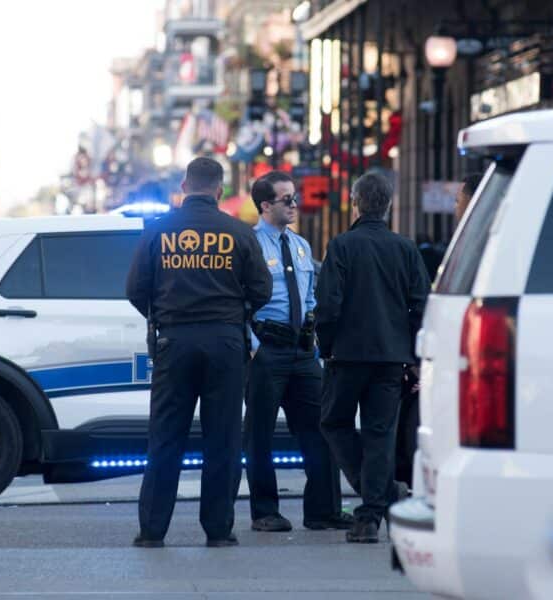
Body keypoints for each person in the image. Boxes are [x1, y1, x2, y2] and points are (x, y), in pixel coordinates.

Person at [125, 157, 272, 548]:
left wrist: (163, 314)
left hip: (174, 342)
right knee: (223, 438)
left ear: (185, 186)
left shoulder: (158, 231)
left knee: (166, 437)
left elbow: (135, 289)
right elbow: (262, 290)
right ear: (219, 189)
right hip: (225, 343)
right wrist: (234, 312)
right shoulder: (238, 232)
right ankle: (219, 531)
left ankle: (152, 531)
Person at [316, 172, 431, 543]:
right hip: (391, 357)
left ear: (355, 202)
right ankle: (370, 512)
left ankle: (372, 493)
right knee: (380, 433)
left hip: (347, 355)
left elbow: (328, 305)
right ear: (389, 205)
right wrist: (414, 354)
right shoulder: (405, 248)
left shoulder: (342, 246)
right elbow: (420, 305)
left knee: (334, 421)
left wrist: (326, 345)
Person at [241, 171, 350, 533]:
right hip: (267, 350)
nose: (294, 205)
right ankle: (265, 512)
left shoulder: (301, 245)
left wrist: (314, 340)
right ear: (265, 205)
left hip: (302, 352)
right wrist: (253, 346)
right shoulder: (251, 244)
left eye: (294, 197)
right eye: (286, 199)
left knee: (322, 428)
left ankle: (323, 510)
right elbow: (239, 301)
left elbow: (308, 297)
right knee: (260, 435)